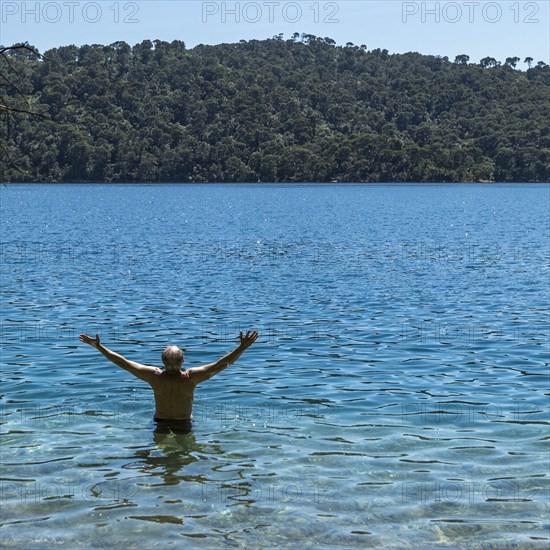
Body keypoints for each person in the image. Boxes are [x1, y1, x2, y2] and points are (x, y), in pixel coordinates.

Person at [79, 330, 259, 432]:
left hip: (162, 422)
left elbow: (123, 363)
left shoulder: (155, 376)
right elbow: (222, 365)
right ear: (182, 361)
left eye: (173, 366)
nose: (172, 369)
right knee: (184, 458)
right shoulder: (190, 377)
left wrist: (99, 347)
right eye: (171, 366)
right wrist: (242, 347)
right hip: (179, 423)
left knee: (159, 456)